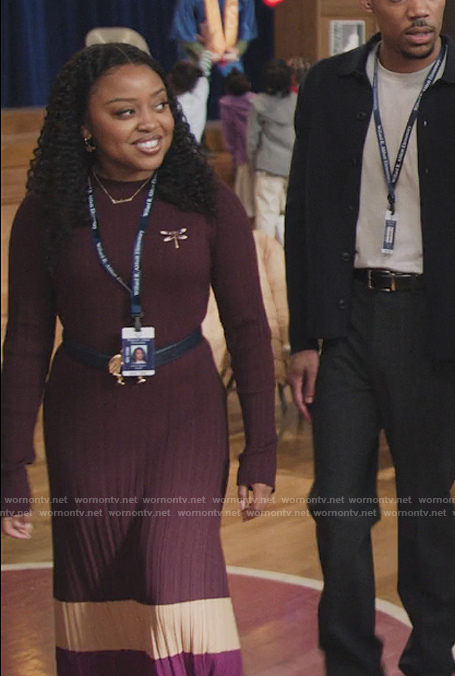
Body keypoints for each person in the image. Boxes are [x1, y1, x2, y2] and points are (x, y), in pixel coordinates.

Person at [1, 43, 277, 675]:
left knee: (174, 579)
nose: (150, 122)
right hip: (86, 421)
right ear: (83, 128)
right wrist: (10, 464)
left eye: (159, 105)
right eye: (125, 111)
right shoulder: (46, 213)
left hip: (184, 417)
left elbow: (248, 327)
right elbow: (23, 342)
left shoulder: (207, 200)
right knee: (97, 586)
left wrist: (259, 446)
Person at [285, 0, 455, 674]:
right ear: (368, 5)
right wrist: (304, 337)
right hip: (346, 316)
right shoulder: (330, 84)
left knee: (426, 509)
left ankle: (430, 659)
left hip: (433, 323)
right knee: (337, 507)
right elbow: (302, 209)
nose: (417, 9)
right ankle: (349, 661)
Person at [247, 58, 297, 245]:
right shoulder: (297, 101)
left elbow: (252, 139)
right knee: (288, 215)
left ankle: (267, 260)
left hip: (268, 166)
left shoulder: (257, 104)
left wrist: (252, 161)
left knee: (266, 215)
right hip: (293, 166)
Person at [170, 0, 257, 76]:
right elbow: (183, 29)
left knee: (237, 84)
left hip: (230, 56)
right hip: (197, 56)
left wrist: (237, 51)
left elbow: (247, 28)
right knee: (192, 82)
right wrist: (204, 54)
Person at [219, 68, 255, 219]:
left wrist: (232, 153)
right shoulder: (255, 100)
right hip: (260, 154)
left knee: (244, 203)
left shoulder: (226, 104)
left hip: (242, 153)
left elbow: (228, 131)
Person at [167, 50, 213, 143]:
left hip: (180, 152)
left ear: (170, 80)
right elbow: (204, 68)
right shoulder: (201, 91)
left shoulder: (174, 109)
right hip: (194, 149)